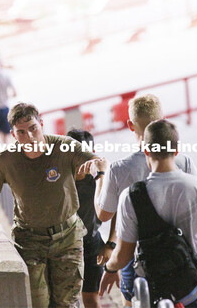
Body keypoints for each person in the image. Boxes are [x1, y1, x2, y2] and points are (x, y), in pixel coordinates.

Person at [99, 119, 197, 307]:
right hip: (192, 285)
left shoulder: (130, 197)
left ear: (146, 151)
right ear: (176, 149)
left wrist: (109, 268)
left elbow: (124, 254)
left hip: (153, 288)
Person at [0, 103, 105, 307]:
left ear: (42, 124)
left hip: (67, 237)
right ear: (13, 134)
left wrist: (98, 172)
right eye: (21, 132)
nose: (29, 136)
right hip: (29, 239)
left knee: (66, 303)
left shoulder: (65, 147)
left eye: (33, 128)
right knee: (38, 302)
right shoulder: (5, 159)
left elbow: (99, 162)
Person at [94, 94, 197, 306]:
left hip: (135, 256)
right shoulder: (183, 160)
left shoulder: (119, 170)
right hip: (180, 251)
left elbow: (104, 214)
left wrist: (100, 177)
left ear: (131, 126)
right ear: (163, 120)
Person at [66, 129, 115, 308]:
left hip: (91, 244)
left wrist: (110, 244)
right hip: (64, 246)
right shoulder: (59, 177)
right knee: (64, 301)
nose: (82, 161)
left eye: (87, 155)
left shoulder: (97, 179)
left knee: (91, 300)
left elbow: (115, 209)